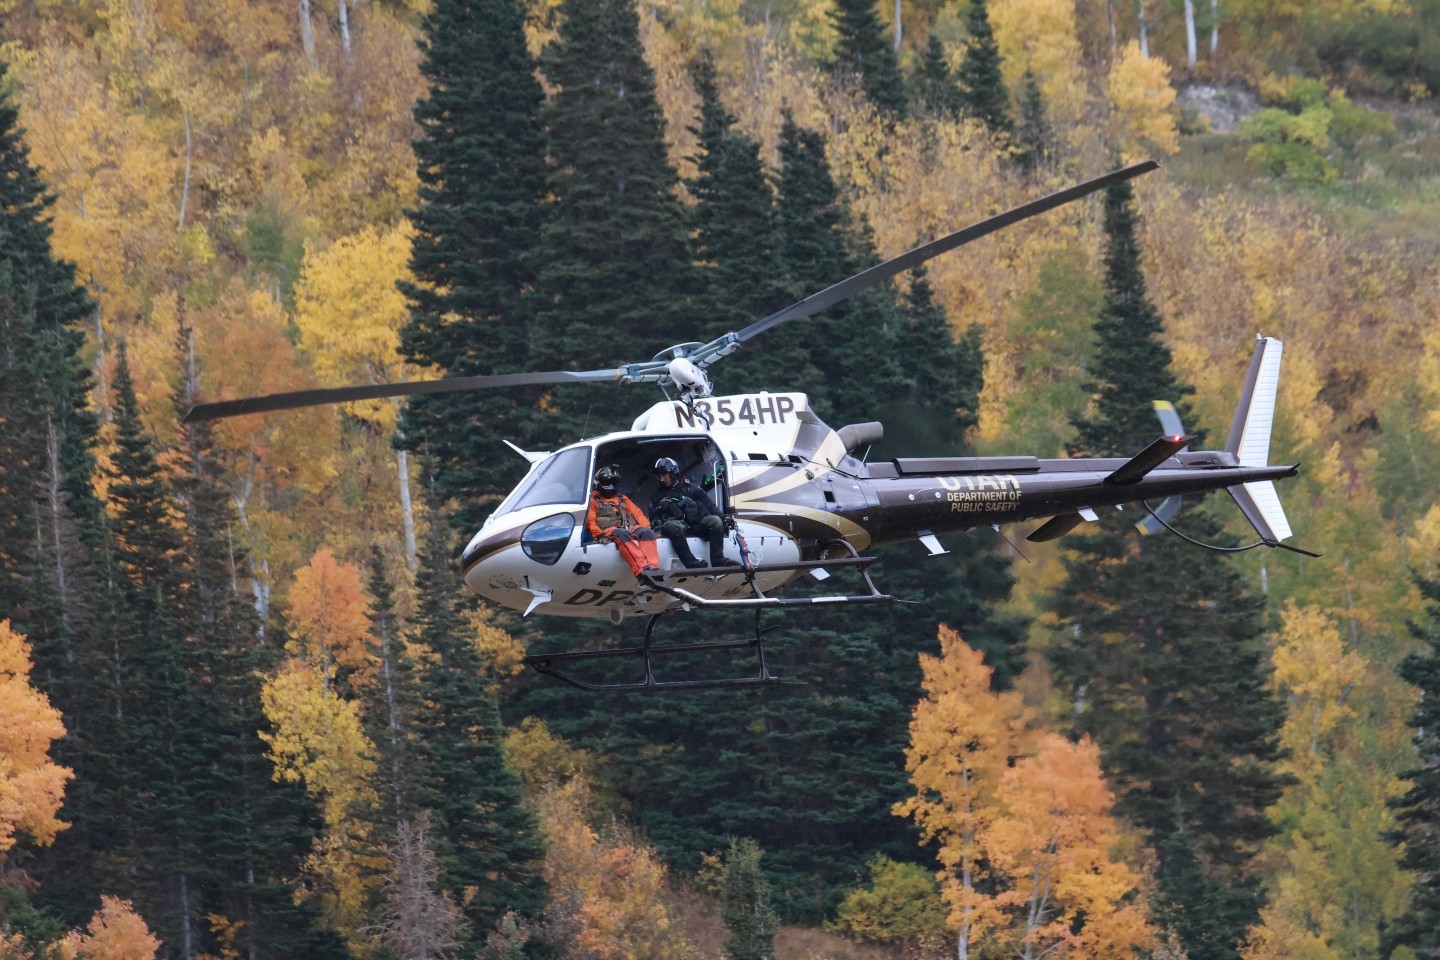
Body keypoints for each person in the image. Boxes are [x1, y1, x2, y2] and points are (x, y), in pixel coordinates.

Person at [649, 456, 727, 569]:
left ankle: (718, 559)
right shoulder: (656, 495)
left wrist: (724, 518)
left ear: (673, 473)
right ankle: (692, 563)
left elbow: (710, 505)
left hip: (695, 524)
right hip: (674, 528)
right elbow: (651, 516)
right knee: (673, 526)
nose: (661, 479)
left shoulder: (691, 488)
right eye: (659, 476)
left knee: (715, 521)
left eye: (664, 475)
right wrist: (660, 507)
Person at [585, 465, 659, 575]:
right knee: (622, 533)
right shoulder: (592, 500)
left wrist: (648, 528)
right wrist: (599, 535)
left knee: (646, 532)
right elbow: (590, 521)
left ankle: (654, 569)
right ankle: (641, 570)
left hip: (625, 529)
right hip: (606, 531)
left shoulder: (622, 499)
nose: (610, 486)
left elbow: (638, 514)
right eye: (607, 482)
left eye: (612, 482)